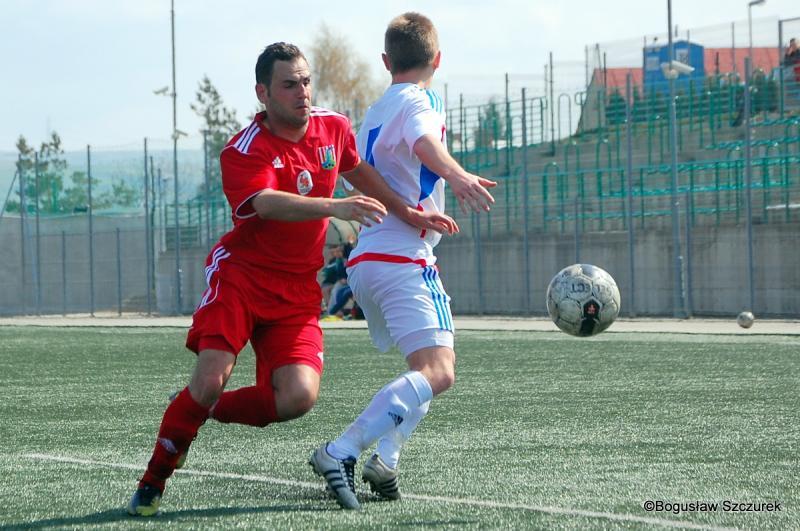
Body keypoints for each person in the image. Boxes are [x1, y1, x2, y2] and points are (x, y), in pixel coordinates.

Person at [127, 41, 457, 517]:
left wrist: (406, 209)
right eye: (289, 84)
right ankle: (153, 480)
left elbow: (357, 169)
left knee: (298, 397)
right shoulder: (244, 149)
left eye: (306, 81)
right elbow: (265, 203)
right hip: (241, 279)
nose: (302, 92)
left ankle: (204, 408)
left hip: (298, 291)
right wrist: (334, 207)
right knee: (210, 377)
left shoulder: (332, 127)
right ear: (263, 93)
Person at [308, 12, 496, 510]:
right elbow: (423, 140)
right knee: (440, 370)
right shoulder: (422, 99)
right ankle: (341, 449)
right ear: (437, 60)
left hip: (366, 257)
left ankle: (385, 460)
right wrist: (456, 177)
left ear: (386, 61)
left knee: (426, 364)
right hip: (401, 255)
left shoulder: (373, 111)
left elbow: (356, 178)